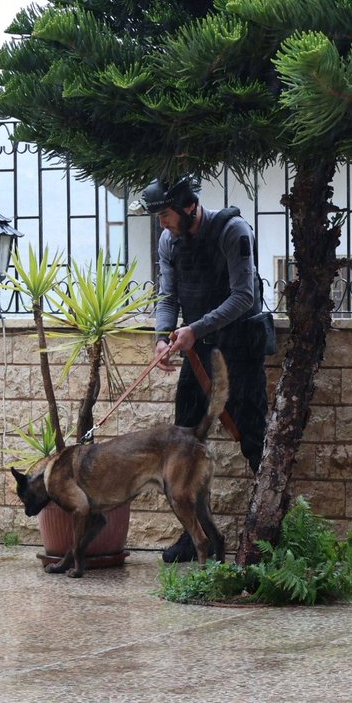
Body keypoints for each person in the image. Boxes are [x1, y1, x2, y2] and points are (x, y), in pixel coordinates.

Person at [137, 175, 273, 563]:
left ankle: (269, 536)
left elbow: (244, 297)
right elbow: (168, 296)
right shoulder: (169, 240)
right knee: (185, 444)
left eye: (165, 215)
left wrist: (194, 329)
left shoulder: (233, 231)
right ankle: (194, 535)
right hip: (197, 352)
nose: (162, 223)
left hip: (239, 350)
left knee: (254, 440)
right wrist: (162, 336)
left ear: (188, 207)